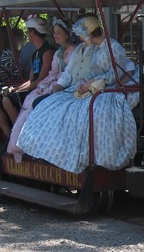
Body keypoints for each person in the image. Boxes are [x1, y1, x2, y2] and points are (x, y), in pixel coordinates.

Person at [16, 15, 137, 174]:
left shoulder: (112, 46)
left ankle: (89, 155)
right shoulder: (94, 48)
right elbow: (93, 71)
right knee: (53, 104)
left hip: (112, 86)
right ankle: (51, 150)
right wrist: (84, 83)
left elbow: (116, 73)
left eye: (81, 34)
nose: (79, 38)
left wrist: (93, 81)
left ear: (88, 33)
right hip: (95, 85)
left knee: (90, 110)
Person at [6, 18, 78, 159]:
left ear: (67, 34)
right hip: (55, 83)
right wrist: (46, 84)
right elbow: (52, 72)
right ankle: (20, 141)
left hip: (69, 84)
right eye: (54, 33)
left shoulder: (74, 51)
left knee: (38, 104)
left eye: (59, 33)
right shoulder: (57, 53)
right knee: (29, 100)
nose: (55, 36)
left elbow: (70, 73)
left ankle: (35, 143)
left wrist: (54, 83)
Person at [0, 16, 55, 148]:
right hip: (32, 87)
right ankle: (10, 136)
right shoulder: (36, 53)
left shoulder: (48, 51)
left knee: (8, 100)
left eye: (28, 32)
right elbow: (30, 80)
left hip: (42, 89)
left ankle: (21, 137)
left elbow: (41, 79)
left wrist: (19, 90)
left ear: (33, 33)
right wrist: (16, 88)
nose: (27, 35)